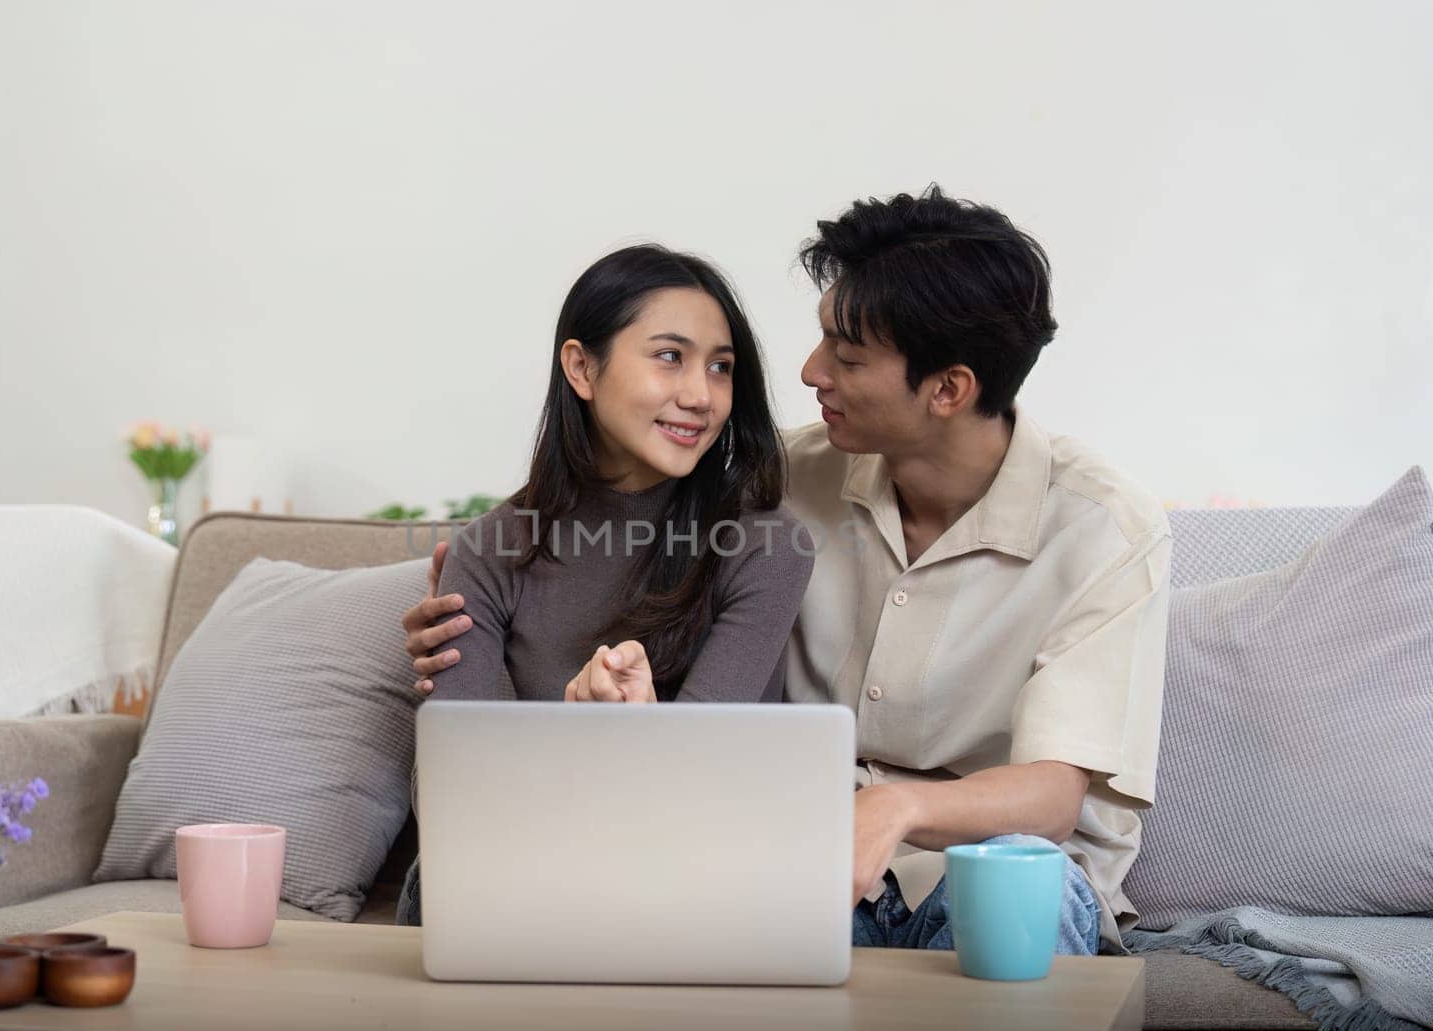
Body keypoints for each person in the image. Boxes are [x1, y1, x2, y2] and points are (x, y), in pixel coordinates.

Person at [405, 187, 1172, 957]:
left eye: (846, 357)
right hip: (795, 857)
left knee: (1019, 894)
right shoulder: (783, 476)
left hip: (991, 865)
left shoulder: (1105, 529)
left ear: (947, 389)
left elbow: (1053, 794)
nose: (809, 373)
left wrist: (894, 809)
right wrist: (465, 587)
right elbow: (611, 510)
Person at [395, 243, 815, 925]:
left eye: (721, 366)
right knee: (445, 872)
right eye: (670, 356)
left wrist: (629, 740)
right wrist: (579, 743)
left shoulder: (765, 543)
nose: (700, 395)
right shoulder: (491, 548)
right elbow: (455, 790)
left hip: (690, 867)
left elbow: (702, 787)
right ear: (582, 367)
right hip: (514, 864)